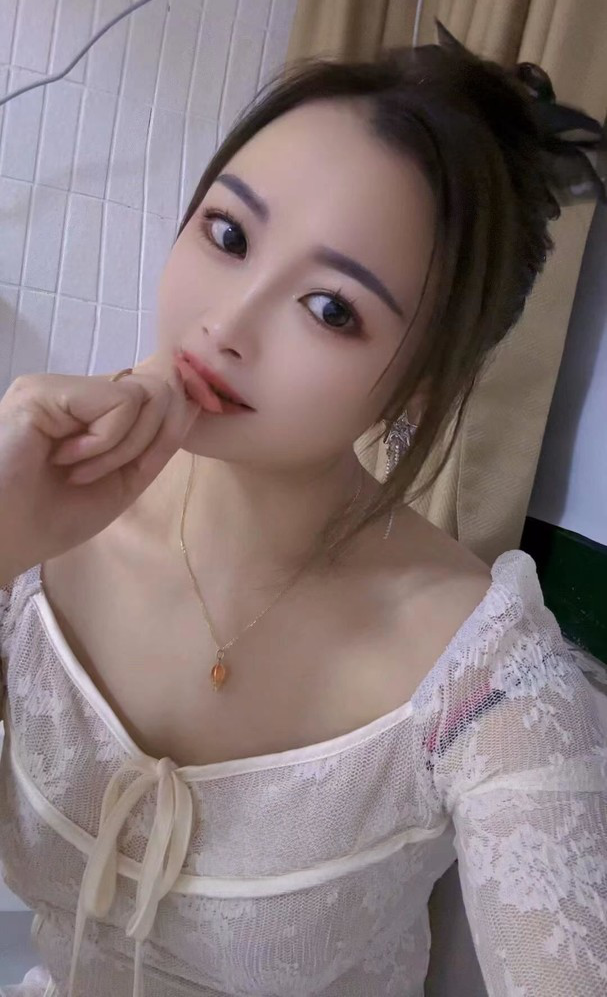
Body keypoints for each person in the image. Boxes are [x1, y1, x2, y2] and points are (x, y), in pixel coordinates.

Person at [0, 30, 606, 997]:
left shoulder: (483, 675)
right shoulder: (33, 525)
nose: (227, 325)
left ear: (422, 382)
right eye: (228, 234)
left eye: (330, 309)